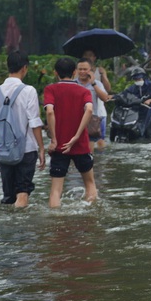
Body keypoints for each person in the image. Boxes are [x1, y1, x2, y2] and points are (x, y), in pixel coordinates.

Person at [0, 50, 46, 207]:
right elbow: (34, 122)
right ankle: (20, 228)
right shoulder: (28, 91)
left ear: (8, 67)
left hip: (3, 150)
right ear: (25, 68)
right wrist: (41, 148)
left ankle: (9, 229)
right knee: (22, 193)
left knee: (9, 196)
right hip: (26, 149)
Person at [43, 57, 97, 208]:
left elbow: (49, 111)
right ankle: (89, 216)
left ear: (55, 73)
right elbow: (90, 110)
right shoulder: (83, 91)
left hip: (59, 145)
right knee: (90, 184)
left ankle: (56, 222)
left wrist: (54, 139)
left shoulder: (50, 89)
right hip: (81, 145)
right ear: (74, 72)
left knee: (55, 191)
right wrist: (77, 136)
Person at [75, 58, 111, 152]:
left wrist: (93, 83)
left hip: (92, 120)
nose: (82, 72)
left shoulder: (97, 84)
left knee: (90, 149)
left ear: (90, 70)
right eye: (80, 69)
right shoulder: (73, 84)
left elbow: (105, 98)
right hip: (76, 120)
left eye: (85, 69)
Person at [122, 67, 151, 138]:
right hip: (138, 110)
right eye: (136, 79)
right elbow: (124, 94)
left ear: (143, 77)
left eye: (139, 79)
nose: (137, 81)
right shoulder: (133, 88)